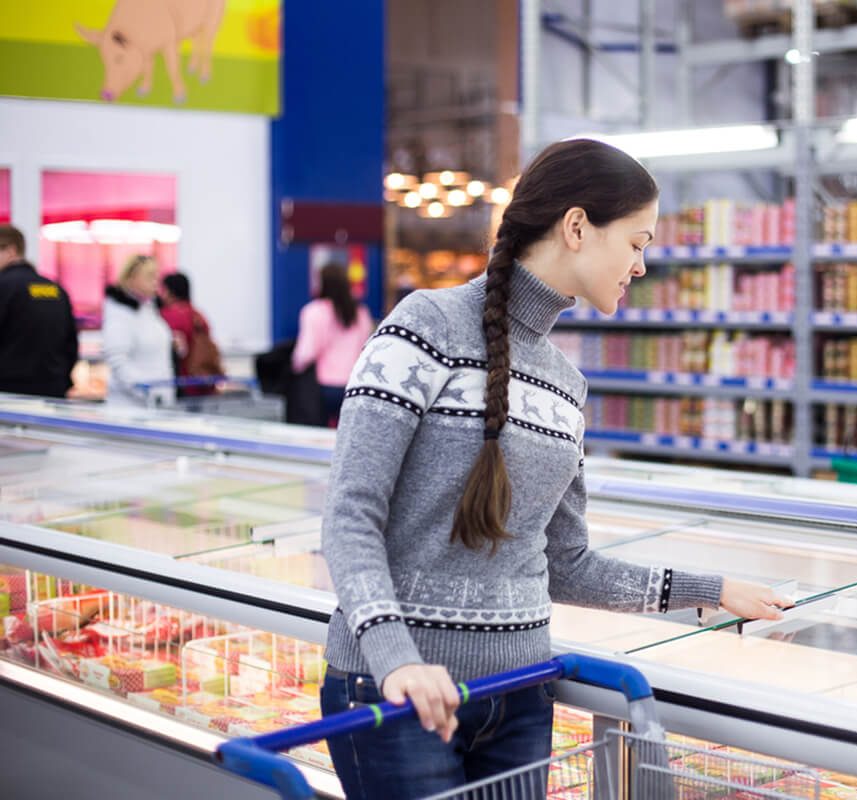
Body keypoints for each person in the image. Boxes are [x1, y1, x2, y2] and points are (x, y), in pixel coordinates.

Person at [319, 139, 789, 800]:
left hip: (518, 697)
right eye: (636, 242)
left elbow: (566, 566)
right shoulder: (423, 327)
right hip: (400, 700)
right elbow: (349, 516)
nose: (642, 265)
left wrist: (712, 589)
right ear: (576, 228)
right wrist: (398, 661)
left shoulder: (568, 386)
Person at [0, 224, 79, 398]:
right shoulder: (55, 289)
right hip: (52, 391)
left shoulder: (4, 286)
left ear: (11, 250)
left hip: (9, 394)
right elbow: (71, 344)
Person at [291, 263, 374, 426]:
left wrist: (293, 369)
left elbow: (306, 353)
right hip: (353, 385)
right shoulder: (361, 313)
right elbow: (367, 349)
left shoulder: (314, 311)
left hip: (322, 387)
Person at [102, 254, 174, 407]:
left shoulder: (149, 309)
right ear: (131, 278)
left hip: (157, 405)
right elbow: (118, 361)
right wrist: (147, 391)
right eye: (149, 276)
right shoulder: (119, 314)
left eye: (156, 276)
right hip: (130, 410)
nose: (156, 282)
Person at [160, 272, 223, 396]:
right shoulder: (198, 315)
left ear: (168, 291)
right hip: (204, 379)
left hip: (182, 382)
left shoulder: (167, 316)